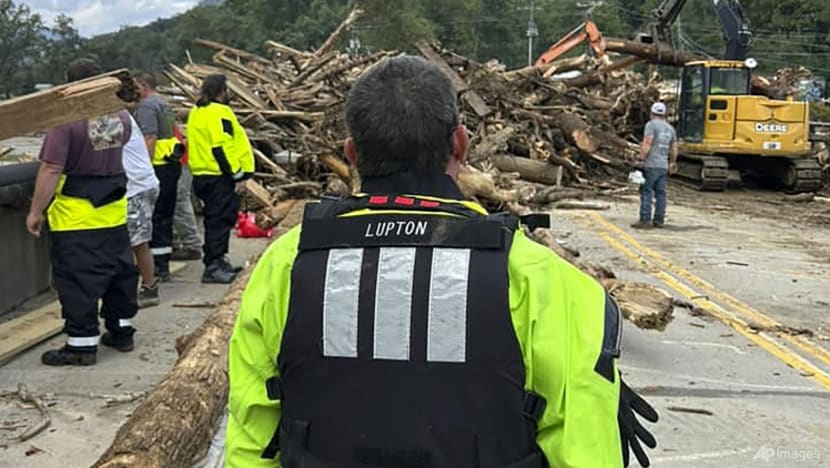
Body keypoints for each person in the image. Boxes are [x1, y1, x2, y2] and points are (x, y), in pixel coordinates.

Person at [225, 56, 658, 468]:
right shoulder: (542, 279)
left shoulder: (286, 265)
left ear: (351, 153)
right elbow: (586, 447)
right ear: (461, 144)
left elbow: (251, 438)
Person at [26, 58, 139, 365]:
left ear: (69, 84)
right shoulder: (120, 116)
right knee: (118, 276)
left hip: (76, 217)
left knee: (78, 282)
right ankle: (122, 331)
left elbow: (51, 169)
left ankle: (81, 346)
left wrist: (35, 211)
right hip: (114, 212)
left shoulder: (65, 121)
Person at [186, 74, 253, 284]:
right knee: (219, 222)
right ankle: (213, 266)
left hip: (203, 174)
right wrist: (237, 175)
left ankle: (219, 260)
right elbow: (222, 147)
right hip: (219, 176)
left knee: (214, 220)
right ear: (222, 91)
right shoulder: (220, 112)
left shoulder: (197, 111)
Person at [134, 72, 182, 281]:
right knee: (165, 216)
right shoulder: (163, 104)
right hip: (171, 162)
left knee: (155, 217)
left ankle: (157, 267)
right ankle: (163, 262)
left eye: (135, 88)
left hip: (158, 166)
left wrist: (144, 168)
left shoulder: (146, 107)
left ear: (143, 86)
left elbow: (149, 138)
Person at [122, 113, 161, 308]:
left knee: (134, 242)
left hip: (135, 186)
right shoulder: (121, 116)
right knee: (137, 241)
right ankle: (146, 285)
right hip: (140, 184)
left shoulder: (112, 118)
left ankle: (147, 287)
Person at [633, 102, 678, 229]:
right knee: (661, 194)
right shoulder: (670, 128)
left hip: (651, 164)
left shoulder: (651, 125)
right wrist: (672, 162)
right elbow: (674, 148)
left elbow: (647, 143)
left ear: (651, 114)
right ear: (664, 114)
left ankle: (645, 219)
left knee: (646, 191)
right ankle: (659, 220)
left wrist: (640, 158)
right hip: (663, 166)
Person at [171, 125, 203, 261]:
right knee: (173, 203)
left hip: (175, 160)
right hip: (176, 159)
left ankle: (191, 245)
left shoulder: (147, 114)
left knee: (179, 202)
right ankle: (175, 242)